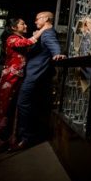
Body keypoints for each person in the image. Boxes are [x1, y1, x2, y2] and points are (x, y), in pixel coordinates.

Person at [12, 10, 66, 150]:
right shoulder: (40, 32)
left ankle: (26, 138)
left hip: (34, 76)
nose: (35, 21)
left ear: (46, 19)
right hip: (32, 75)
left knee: (23, 103)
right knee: (30, 104)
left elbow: (53, 44)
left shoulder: (48, 32)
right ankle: (26, 135)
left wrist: (57, 54)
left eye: (37, 19)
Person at [0, 17, 41, 153]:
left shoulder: (20, 39)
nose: (25, 25)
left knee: (16, 108)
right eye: (22, 24)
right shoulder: (11, 39)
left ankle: (12, 139)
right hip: (9, 80)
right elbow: (27, 42)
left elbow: (28, 44)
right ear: (14, 27)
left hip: (20, 79)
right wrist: (42, 31)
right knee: (4, 107)